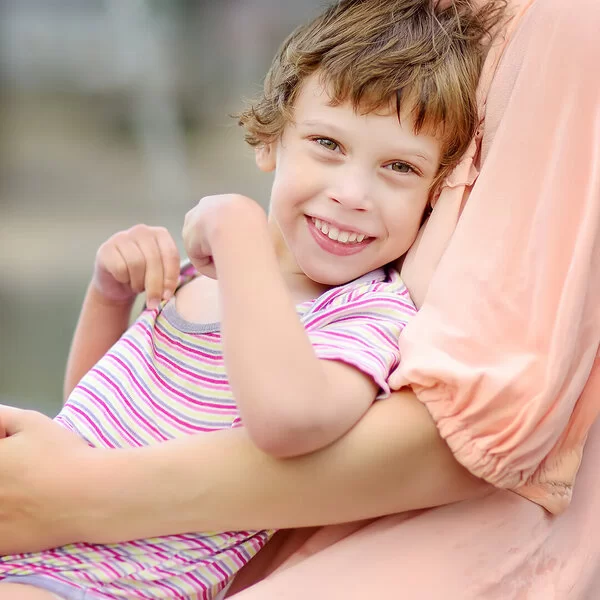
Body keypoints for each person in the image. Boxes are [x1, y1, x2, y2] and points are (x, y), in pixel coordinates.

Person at [1, 0, 599, 597]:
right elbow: (89, 418)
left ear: (435, 198)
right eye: (328, 145)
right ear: (269, 139)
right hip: (38, 541)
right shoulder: (198, 278)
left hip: (105, 583)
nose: (352, 192)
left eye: (398, 167)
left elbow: (288, 422)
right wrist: (108, 295)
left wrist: (237, 231)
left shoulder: (367, 316)